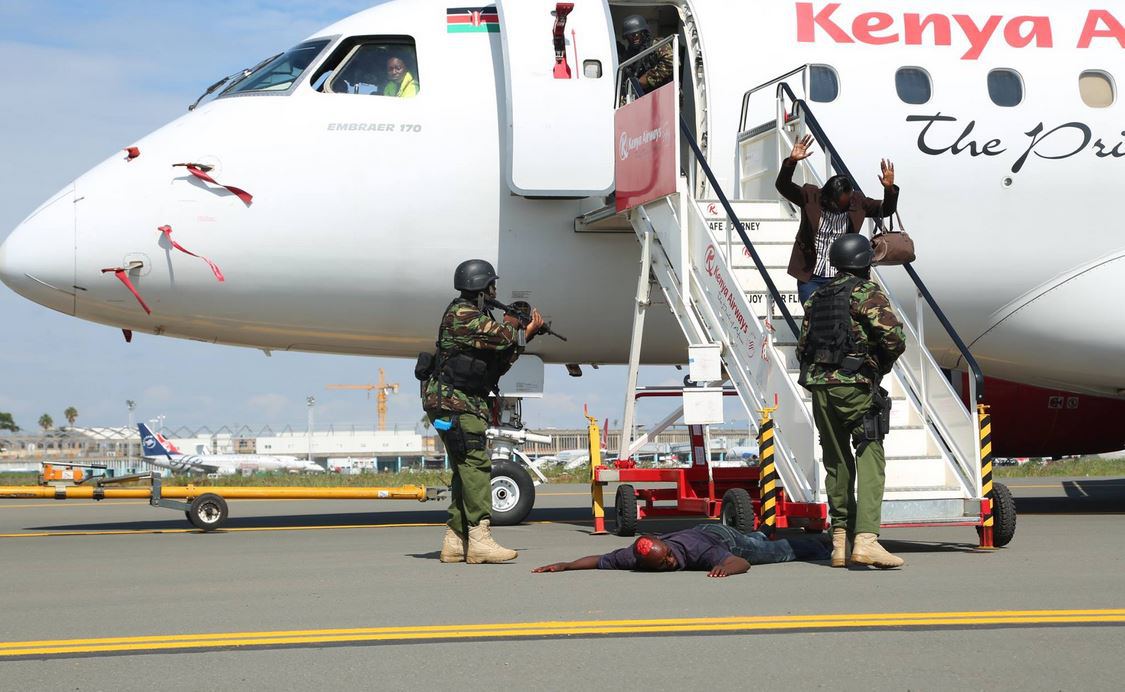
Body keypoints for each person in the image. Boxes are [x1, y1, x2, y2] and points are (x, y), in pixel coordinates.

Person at [797, 234, 907, 569]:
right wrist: (877, 365)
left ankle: (840, 542)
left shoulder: (818, 297)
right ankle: (867, 540)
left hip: (819, 387)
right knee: (870, 453)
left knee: (836, 461)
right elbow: (894, 338)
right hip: (853, 385)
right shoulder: (865, 292)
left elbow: (803, 346)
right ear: (863, 262)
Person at [423, 260, 543, 564]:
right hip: (455, 404)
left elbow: (498, 361)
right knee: (476, 466)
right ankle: (480, 538)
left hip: (457, 403)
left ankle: (456, 539)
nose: (494, 290)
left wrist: (523, 336)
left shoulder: (474, 316)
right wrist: (517, 324)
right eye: (492, 285)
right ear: (481, 286)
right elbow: (502, 337)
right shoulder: (463, 314)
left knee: (465, 469)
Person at [776, 134, 899, 304]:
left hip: (843, 276)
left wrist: (889, 189)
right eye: (835, 204)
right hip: (811, 275)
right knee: (814, 316)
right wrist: (791, 162)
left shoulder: (857, 202)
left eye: (843, 204)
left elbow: (886, 210)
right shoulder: (811, 196)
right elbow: (783, 186)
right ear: (826, 196)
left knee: (841, 319)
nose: (839, 208)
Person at [532, 523, 830, 577]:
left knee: (773, 552)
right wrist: (566, 565)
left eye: (669, 557)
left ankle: (825, 544)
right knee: (756, 540)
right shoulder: (634, 556)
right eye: (663, 564)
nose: (671, 563)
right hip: (703, 533)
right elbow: (600, 560)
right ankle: (759, 531)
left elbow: (741, 562)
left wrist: (725, 567)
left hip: (721, 540)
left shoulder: (696, 551)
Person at [619, 15, 674, 93]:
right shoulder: (629, 54)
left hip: (663, 92)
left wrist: (649, 78)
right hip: (642, 96)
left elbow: (671, 61)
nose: (635, 37)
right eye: (630, 35)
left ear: (643, 32)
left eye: (637, 34)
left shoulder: (656, 44)